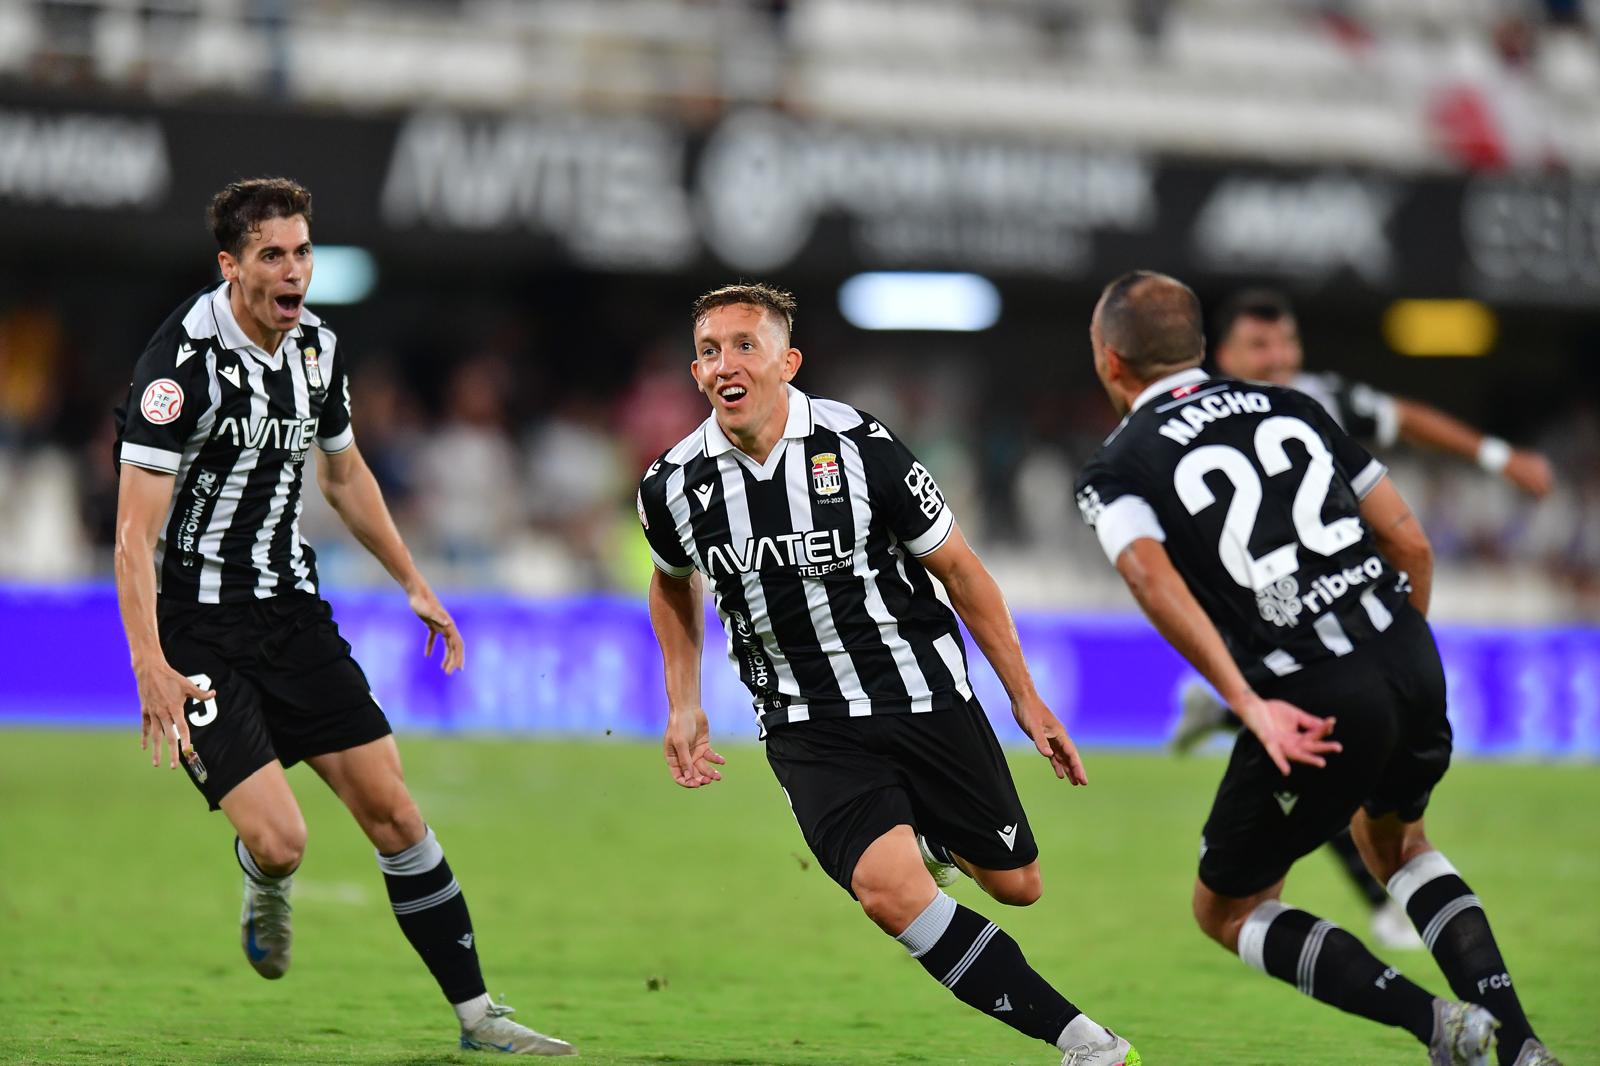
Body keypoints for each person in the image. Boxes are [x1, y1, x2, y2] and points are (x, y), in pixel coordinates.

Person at [112, 178, 574, 1057]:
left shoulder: (318, 349)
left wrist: (413, 579)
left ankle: (479, 1018)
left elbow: (344, 472)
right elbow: (135, 534)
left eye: (303, 252)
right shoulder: (180, 367)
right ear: (231, 266)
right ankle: (264, 882)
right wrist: (150, 663)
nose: (295, 273)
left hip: (292, 613)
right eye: (273, 256)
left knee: (395, 812)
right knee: (283, 843)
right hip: (202, 632)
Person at [637, 283, 1139, 1066]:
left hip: (921, 693)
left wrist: (1026, 698)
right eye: (707, 351)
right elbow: (671, 584)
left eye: (744, 345)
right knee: (892, 895)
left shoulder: (861, 447)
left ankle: (930, 829)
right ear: (696, 372)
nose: (723, 364)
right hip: (806, 723)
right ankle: (1086, 1043)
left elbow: (962, 573)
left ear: (787, 362)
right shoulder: (672, 485)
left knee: (1018, 884)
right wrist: (684, 702)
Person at [1074, 271, 1560, 1066]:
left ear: (1110, 363)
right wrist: (1398, 653)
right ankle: (1523, 1048)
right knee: (1401, 846)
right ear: (1203, 347)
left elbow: (1147, 576)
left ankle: (1441, 1027)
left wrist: (1246, 701)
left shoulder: (1118, 465)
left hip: (1311, 692)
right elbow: (1410, 544)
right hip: (1406, 653)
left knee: (1228, 908)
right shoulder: (1296, 406)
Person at [1169, 287, 1556, 950]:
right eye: (1260, 345)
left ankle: (1229, 709)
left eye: (1286, 340)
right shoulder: (1187, 421)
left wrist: (1498, 457)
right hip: (1269, 606)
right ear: (1220, 354)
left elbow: (1406, 417)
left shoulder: (1319, 394)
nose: (1280, 356)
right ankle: (1376, 897)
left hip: (1347, 598)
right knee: (1333, 744)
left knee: (1336, 744)